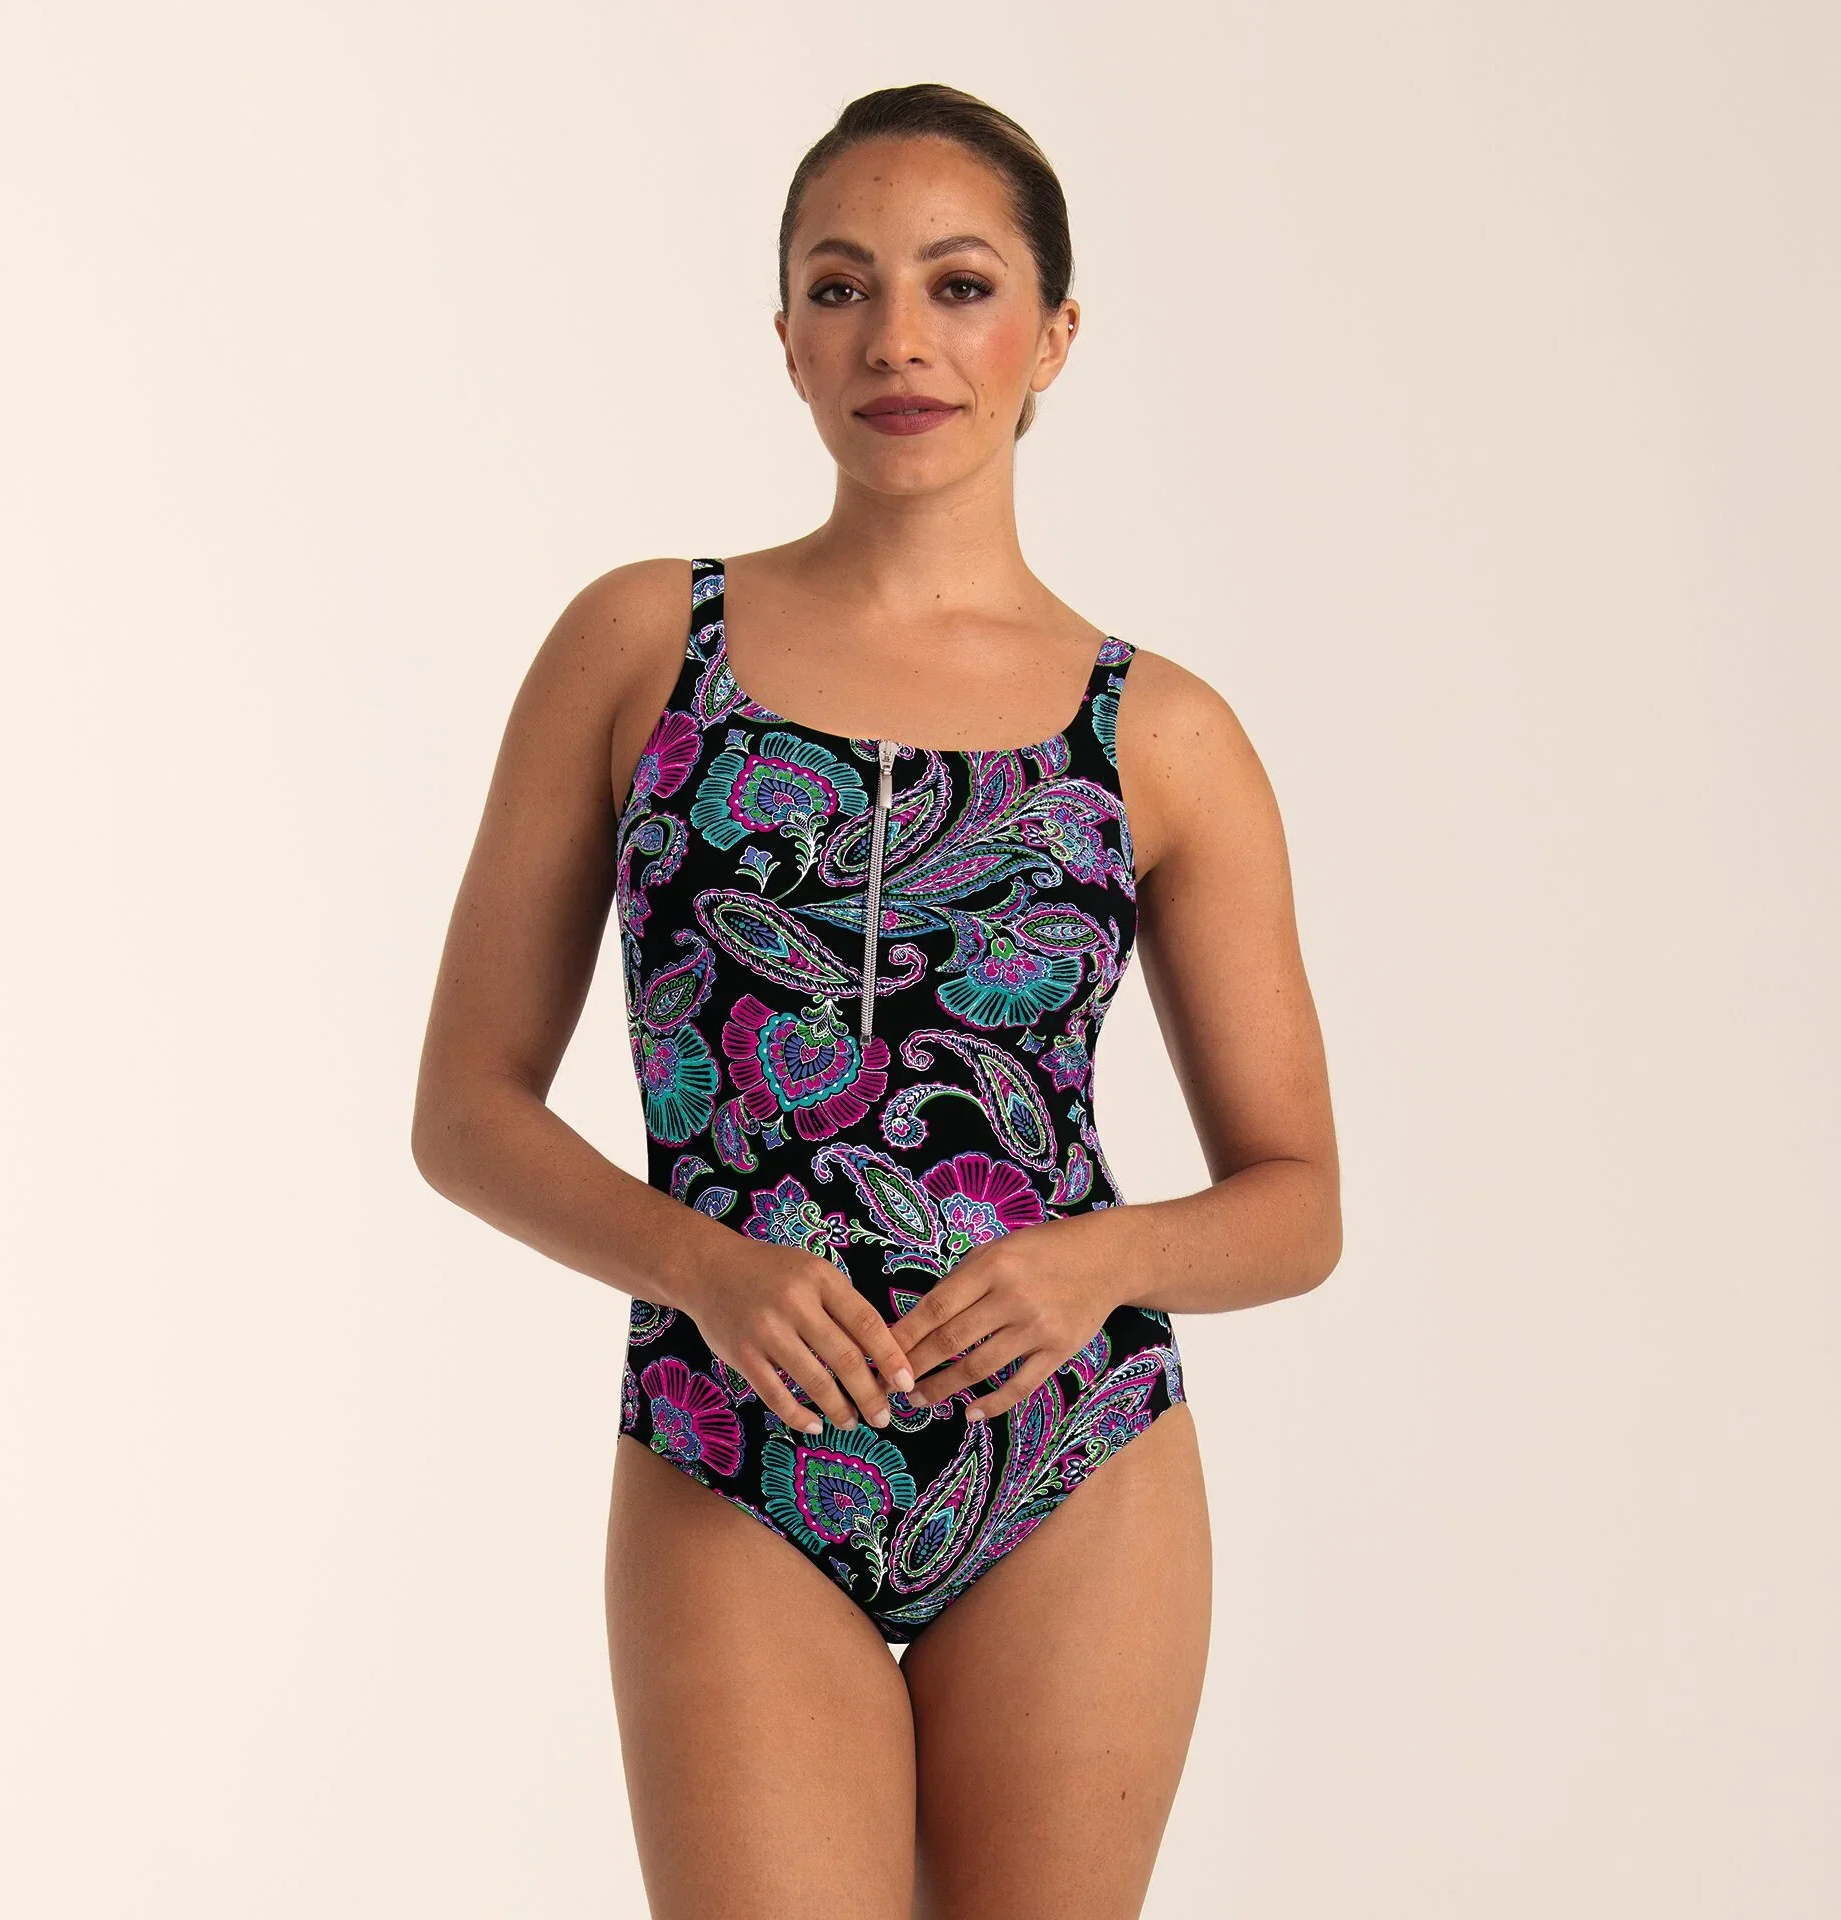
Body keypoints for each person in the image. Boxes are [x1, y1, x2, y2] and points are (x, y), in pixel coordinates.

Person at [412, 80, 1341, 1920]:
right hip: (729, 1441)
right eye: (841, 287)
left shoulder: (1163, 735)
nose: (898, 339)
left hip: (1071, 1453)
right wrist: (706, 1267)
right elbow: (466, 1111)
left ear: (1053, 336)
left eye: (960, 285)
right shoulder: (641, 645)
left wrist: (1093, 1264)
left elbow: (1298, 1202)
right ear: (785, 336)